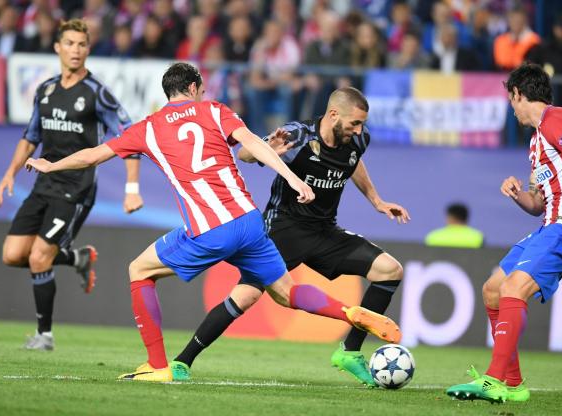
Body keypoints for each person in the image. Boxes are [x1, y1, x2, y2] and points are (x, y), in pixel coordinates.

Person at [25, 63, 401, 382]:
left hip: (209, 228)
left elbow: (94, 155)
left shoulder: (148, 128)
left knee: (138, 270)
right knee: (285, 292)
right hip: (251, 222)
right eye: (201, 89)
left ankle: (159, 365)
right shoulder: (215, 111)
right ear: (192, 88)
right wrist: (291, 177)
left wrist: (52, 164)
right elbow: (252, 143)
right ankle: (349, 313)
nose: (203, 94)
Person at [169, 86, 409, 387]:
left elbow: (354, 161)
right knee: (246, 295)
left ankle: (349, 352)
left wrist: (376, 200)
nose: (359, 129)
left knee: (390, 270)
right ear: (333, 114)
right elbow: (244, 152)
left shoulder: (358, 139)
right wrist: (270, 147)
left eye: (362, 123)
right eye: (354, 123)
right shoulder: (299, 135)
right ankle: (182, 360)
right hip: (283, 230)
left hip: (325, 231)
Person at [446, 63, 562, 403]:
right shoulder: (536, 142)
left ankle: (493, 381)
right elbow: (537, 203)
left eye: (511, 100)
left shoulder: (556, 119)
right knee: (493, 289)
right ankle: (514, 385)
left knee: (514, 287)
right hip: (548, 224)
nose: (511, 109)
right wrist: (518, 193)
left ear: (518, 95)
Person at [0, 19, 143, 351]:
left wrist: (131, 188)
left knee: (37, 258)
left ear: (88, 50)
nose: (75, 50)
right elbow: (30, 137)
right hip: (43, 183)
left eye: (81, 44)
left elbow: (130, 136)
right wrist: (9, 174)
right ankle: (77, 258)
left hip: (76, 188)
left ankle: (44, 336)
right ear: (57, 48)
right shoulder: (45, 90)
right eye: (70, 44)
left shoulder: (97, 93)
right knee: (12, 254)